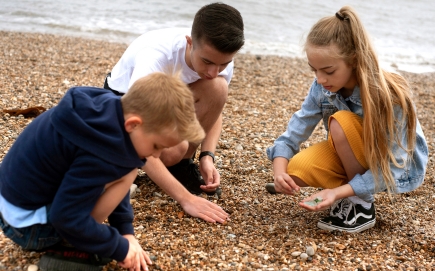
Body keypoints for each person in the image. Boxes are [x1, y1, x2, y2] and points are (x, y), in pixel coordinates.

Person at [0, 72, 228, 271]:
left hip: (13, 208)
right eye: (157, 145)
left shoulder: (104, 112)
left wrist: (125, 232)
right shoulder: (101, 151)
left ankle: (85, 234)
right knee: (128, 169)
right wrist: (118, 247)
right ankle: (74, 245)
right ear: (134, 125)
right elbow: (65, 216)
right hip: (28, 228)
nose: (157, 156)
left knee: (129, 163)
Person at [265, 6, 429, 233]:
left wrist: (336, 193)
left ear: (354, 60)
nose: (320, 79)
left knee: (339, 123)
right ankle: (351, 190)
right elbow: (294, 132)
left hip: (390, 165)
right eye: (314, 70)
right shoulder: (321, 87)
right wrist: (279, 171)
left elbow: (393, 168)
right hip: (355, 152)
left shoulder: (390, 95)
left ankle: (361, 205)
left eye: (329, 71)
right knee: (295, 171)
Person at [104, 2, 244, 197]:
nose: (214, 71)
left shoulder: (219, 59)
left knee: (218, 87)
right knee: (173, 150)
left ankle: (182, 166)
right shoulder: (156, 57)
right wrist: (184, 198)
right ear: (190, 42)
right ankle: (126, 159)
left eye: (224, 64)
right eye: (207, 62)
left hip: (170, 97)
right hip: (123, 101)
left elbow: (214, 108)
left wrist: (207, 156)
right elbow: (136, 127)